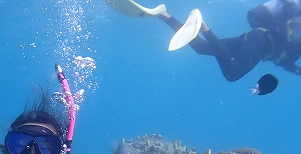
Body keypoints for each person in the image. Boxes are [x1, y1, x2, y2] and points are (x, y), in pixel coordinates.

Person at [107, 0, 301, 81]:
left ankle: (164, 15)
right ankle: (204, 27)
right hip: (262, 43)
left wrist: (294, 69)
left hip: (256, 37)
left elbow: (286, 60)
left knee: (201, 48)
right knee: (232, 74)